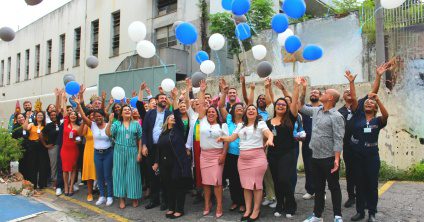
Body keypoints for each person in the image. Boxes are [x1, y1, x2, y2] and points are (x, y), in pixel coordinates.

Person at [339, 64, 390, 209]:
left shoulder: (360, 107)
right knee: (351, 173)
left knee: (366, 176)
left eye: (351, 91)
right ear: (342, 97)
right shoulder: (339, 111)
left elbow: (373, 92)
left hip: (364, 147)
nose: (349, 93)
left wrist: (379, 76)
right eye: (346, 92)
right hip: (348, 146)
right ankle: (352, 197)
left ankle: (368, 204)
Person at [218, 104, 274, 222]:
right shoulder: (240, 125)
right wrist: (223, 139)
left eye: (253, 109)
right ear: (245, 113)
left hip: (257, 159)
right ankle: (248, 210)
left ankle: (256, 210)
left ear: (256, 113)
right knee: (246, 186)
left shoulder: (260, 123)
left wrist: (269, 139)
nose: (251, 111)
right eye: (248, 109)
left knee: (256, 186)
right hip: (242, 160)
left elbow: (269, 133)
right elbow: (232, 138)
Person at [300, 78, 345, 222]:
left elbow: (338, 138)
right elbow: (300, 106)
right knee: (318, 188)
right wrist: (303, 88)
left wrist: (337, 159)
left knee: (334, 187)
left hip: (329, 158)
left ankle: (337, 216)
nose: (322, 94)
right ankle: (317, 216)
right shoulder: (317, 110)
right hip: (315, 157)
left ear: (330, 98)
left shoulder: (337, 116)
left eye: (325, 93)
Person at [153, 88, 192, 219]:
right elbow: (159, 149)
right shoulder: (163, 134)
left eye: (174, 118)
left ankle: (179, 209)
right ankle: (171, 207)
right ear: (167, 121)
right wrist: (157, 162)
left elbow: (176, 113)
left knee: (178, 187)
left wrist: (175, 98)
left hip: (177, 163)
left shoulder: (179, 130)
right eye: (170, 118)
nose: (173, 119)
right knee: (168, 187)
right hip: (165, 164)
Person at [266, 77, 301, 218]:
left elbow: (294, 102)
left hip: (288, 153)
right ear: (275, 107)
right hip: (273, 154)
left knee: (284, 179)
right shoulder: (268, 122)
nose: (280, 106)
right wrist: (267, 87)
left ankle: (291, 204)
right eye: (278, 104)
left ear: (287, 108)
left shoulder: (290, 118)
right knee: (276, 180)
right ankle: (280, 204)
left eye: (283, 105)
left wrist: (296, 86)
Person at [196, 80, 228, 218]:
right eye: (208, 112)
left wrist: (223, 155)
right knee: (206, 183)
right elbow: (201, 105)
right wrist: (202, 91)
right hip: (204, 156)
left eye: (213, 112)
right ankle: (207, 204)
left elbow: (226, 142)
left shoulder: (222, 126)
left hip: (217, 156)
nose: (210, 113)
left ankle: (219, 206)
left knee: (217, 182)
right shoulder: (202, 121)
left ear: (216, 114)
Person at [75, 97, 114, 206]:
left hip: (108, 153)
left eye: (99, 116)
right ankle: (102, 196)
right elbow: (83, 116)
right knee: (99, 175)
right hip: (97, 154)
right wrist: (79, 105)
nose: (98, 118)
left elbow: (111, 135)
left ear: (103, 117)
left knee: (107, 175)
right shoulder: (92, 125)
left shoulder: (108, 125)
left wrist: (110, 120)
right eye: (96, 116)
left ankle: (109, 196)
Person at [106, 105, 143, 209]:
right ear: (121, 113)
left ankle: (134, 197)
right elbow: (108, 133)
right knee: (119, 174)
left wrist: (139, 153)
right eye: (125, 110)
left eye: (129, 110)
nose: (127, 111)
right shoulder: (117, 124)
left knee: (133, 175)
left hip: (133, 150)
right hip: (119, 151)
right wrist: (109, 122)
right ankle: (121, 198)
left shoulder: (136, 124)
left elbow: (140, 139)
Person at [219, 78, 245, 213]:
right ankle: (235, 201)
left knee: (242, 180)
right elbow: (222, 106)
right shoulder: (229, 119)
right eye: (238, 108)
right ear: (234, 111)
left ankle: (243, 203)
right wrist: (224, 93)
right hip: (231, 155)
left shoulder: (247, 121)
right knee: (233, 180)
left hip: (244, 156)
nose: (240, 110)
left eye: (242, 108)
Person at [142, 93, 172, 210]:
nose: (164, 100)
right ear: (157, 100)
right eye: (161, 98)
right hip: (151, 148)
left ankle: (165, 201)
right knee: (152, 175)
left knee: (164, 175)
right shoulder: (150, 113)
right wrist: (144, 145)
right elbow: (144, 130)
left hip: (165, 149)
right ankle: (154, 200)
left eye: (165, 98)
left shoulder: (169, 114)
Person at [299, 84, 322, 200]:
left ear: (320, 96)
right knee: (308, 167)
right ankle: (310, 190)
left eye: (316, 93)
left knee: (320, 168)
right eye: (312, 93)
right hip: (307, 143)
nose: (313, 94)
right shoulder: (306, 109)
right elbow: (299, 104)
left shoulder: (324, 109)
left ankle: (321, 191)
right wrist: (303, 89)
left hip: (320, 144)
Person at [60, 92, 81, 196]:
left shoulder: (78, 127)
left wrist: (78, 140)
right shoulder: (66, 123)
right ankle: (66, 186)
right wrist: (64, 100)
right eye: (71, 114)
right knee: (65, 169)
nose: (73, 115)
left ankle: (71, 186)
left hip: (74, 150)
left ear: (77, 117)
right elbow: (64, 111)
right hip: (65, 149)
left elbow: (80, 137)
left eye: (74, 114)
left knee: (73, 169)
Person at [22, 111, 49, 191]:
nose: (40, 116)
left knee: (42, 165)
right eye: (38, 115)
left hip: (41, 145)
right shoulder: (32, 124)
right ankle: (33, 183)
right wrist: (27, 117)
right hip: (32, 145)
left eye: (41, 115)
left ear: (43, 117)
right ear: (36, 116)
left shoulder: (45, 126)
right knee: (32, 165)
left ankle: (42, 184)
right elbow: (24, 128)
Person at [77, 110, 97, 202]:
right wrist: (84, 122)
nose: (93, 116)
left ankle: (100, 190)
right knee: (89, 172)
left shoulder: (99, 125)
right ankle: (89, 193)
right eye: (91, 115)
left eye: (94, 115)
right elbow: (80, 133)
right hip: (89, 150)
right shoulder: (86, 125)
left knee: (98, 172)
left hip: (99, 150)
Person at [40, 111, 60, 189]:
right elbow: (41, 135)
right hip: (53, 147)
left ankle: (62, 182)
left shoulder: (61, 124)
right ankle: (55, 182)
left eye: (54, 114)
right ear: (50, 117)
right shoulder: (48, 126)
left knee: (61, 165)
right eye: (51, 115)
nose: (53, 116)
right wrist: (45, 145)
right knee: (54, 165)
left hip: (62, 147)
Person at [12, 113, 29, 178]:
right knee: (21, 165)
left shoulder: (27, 124)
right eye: (19, 118)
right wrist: (27, 118)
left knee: (27, 165)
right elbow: (24, 128)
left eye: (22, 117)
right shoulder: (16, 126)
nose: (21, 119)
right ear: (16, 119)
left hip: (27, 149)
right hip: (19, 149)